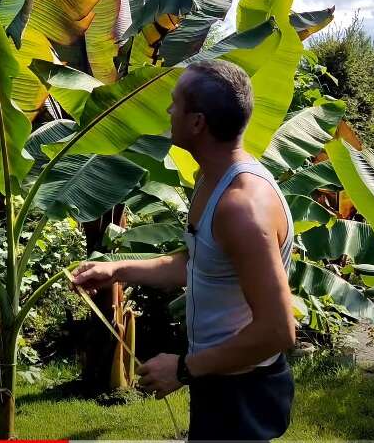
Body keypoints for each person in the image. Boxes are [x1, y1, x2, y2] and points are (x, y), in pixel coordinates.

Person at [72, 60, 296, 441]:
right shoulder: (211, 180)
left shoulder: (241, 207)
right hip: (219, 377)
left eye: (175, 103)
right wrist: (116, 270)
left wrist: (183, 369)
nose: (168, 111)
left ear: (198, 123)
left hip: (242, 390)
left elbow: (278, 330)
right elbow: (196, 263)